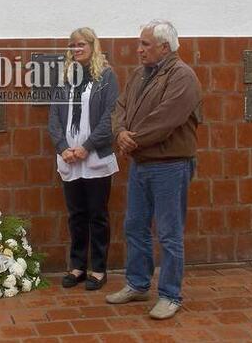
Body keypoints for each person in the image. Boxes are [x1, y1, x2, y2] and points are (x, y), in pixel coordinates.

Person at [105, 19, 201, 319]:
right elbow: (119, 107)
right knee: (135, 226)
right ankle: (137, 283)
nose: (139, 50)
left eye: (145, 44)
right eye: (140, 44)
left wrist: (131, 141)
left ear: (164, 46)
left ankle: (170, 295)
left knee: (169, 233)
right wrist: (119, 132)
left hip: (170, 166)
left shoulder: (183, 77)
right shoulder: (139, 74)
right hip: (142, 164)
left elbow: (165, 120)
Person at [48, 27, 119, 291]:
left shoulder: (106, 77)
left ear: (93, 46)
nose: (76, 49)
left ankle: (98, 269)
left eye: (81, 44)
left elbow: (111, 116)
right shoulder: (65, 78)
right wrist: (62, 146)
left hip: (94, 157)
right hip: (69, 158)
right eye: (72, 45)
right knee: (76, 215)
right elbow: (54, 117)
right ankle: (77, 266)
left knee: (97, 215)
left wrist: (87, 146)